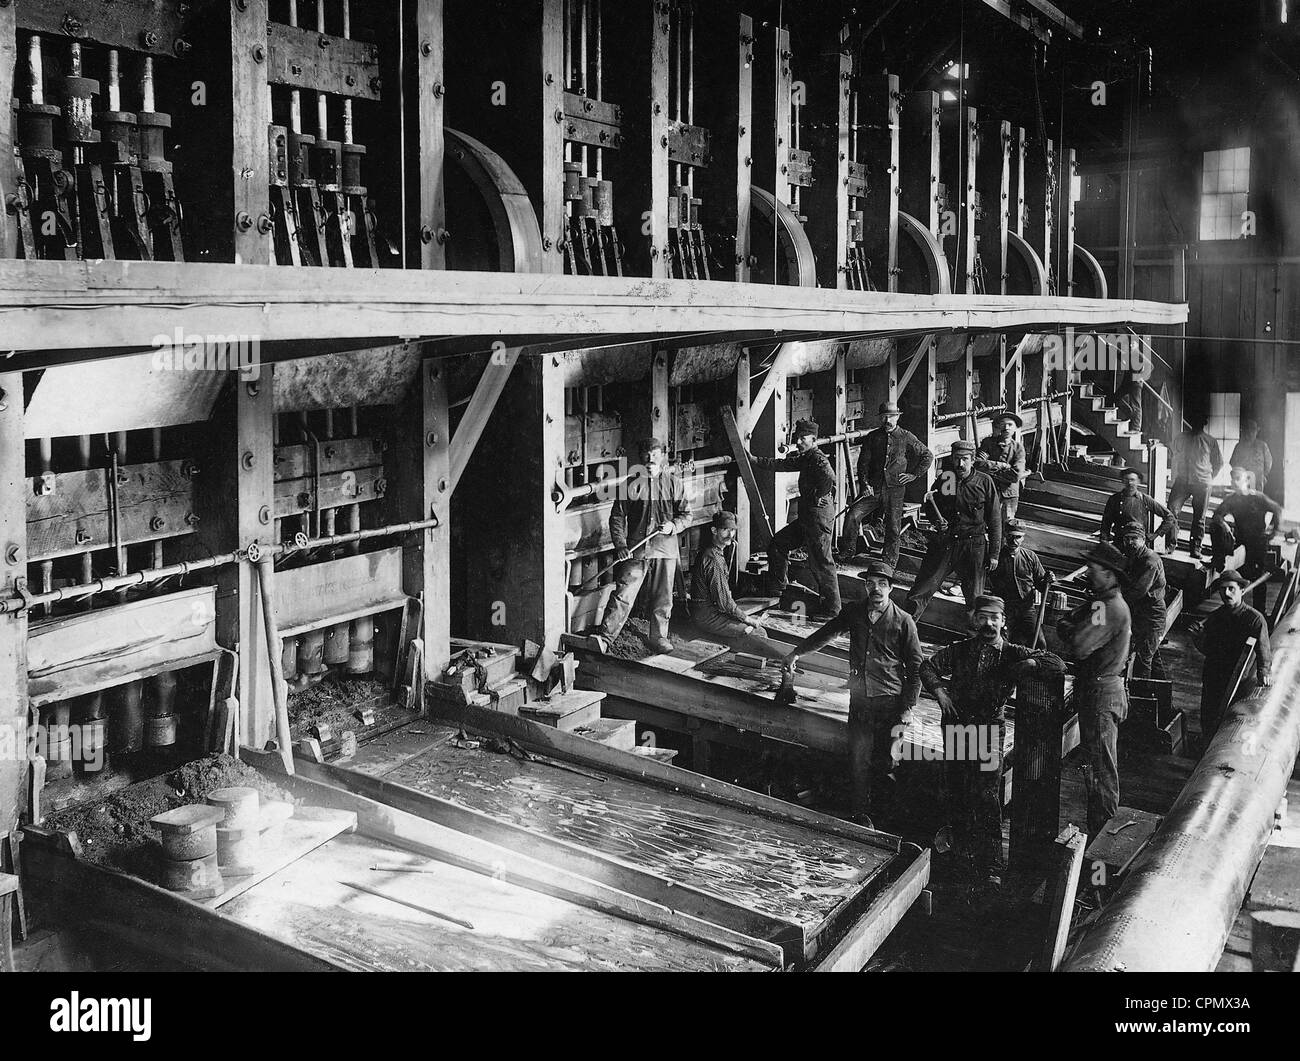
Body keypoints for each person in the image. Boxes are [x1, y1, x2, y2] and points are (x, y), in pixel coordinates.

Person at [919, 594, 1065, 889]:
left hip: (988, 733)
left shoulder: (1012, 652)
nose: (988, 623)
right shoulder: (959, 651)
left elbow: (1058, 664)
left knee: (987, 797)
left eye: (994, 618)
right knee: (958, 789)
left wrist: (1030, 664)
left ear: (1003, 622)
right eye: (983, 617)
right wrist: (940, 693)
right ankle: (960, 855)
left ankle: (992, 865)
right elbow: (927, 667)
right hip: (958, 728)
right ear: (974, 620)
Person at [781, 561, 922, 826]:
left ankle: (886, 822)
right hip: (860, 701)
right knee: (857, 760)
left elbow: (916, 669)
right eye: (871, 584)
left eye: (882, 584)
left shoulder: (904, 622)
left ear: (891, 588)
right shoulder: (854, 612)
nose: (876, 589)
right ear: (865, 587)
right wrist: (796, 653)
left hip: (889, 703)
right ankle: (861, 818)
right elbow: (826, 633)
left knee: (888, 763)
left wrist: (908, 707)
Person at [1057, 543, 1132, 838]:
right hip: (1098, 690)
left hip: (1101, 694)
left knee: (1101, 771)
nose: (1088, 572)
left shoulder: (1107, 607)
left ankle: (1104, 842)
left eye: (1094, 568)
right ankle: (1099, 835)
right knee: (1096, 767)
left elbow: (1079, 645)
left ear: (1111, 574)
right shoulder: (1100, 602)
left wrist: (1065, 625)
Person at [596, 437, 689, 654]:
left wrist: (674, 525)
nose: (650, 459)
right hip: (636, 550)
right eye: (646, 455)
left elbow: (687, 515)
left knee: (663, 597)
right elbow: (617, 517)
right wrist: (619, 544)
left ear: (662, 456)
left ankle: (659, 638)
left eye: (655, 455)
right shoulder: (629, 485)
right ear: (640, 457)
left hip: (665, 550)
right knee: (623, 594)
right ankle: (605, 638)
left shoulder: (674, 483)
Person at [751, 418, 841, 619]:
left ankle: (833, 610)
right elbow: (783, 464)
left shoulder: (818, 460)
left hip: (817, 518)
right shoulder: (806, 457)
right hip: (808, 517)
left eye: (803, 438)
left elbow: (830, 479)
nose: (798, 442)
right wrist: (755, 461)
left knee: (821, 562)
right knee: (778, 543)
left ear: (814, 439)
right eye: (797, 438)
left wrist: (818, 496)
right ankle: (778, 589)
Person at [905, 440, 1001, 620]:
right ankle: (903, 634)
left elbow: (995, 519)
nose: (960, 464)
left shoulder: (984, 482)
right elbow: (932, 506)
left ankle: (975, 641)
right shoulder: (947, 479)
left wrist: (994, 553)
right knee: (920, 591)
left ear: (972, 460)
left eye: (965, 459)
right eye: (956, 459)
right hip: (946, 543)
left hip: (974, 546)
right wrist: (936, 521)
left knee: (975, 601)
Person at [840, 401, 932, 565]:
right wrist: (865, 484)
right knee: (852, 516)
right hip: (873, 489)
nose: (887, 420)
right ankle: (848, 553)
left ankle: (889, 561)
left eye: (890, 416)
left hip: (895, 490)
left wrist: (913, 475)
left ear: (897, 417)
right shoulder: (873, 437)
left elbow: (927, 455)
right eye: (884, 417)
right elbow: (863, 464)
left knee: (893, 526)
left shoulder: (906, 436)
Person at [690, 510, 786, 661]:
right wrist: (747, 619)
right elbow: (724, 603)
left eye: (732, 530)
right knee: (758, 633)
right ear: (714, 530)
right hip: (707, 616)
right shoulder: (713, 559)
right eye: (725, 530)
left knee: (753, 629)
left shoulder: (714, 552)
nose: (730, 535)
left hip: (712, 611)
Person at [1191, 570, 1273, 744]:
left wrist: (1264, 670)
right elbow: (1209, 649)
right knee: (1208, 713)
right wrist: (1198, 638)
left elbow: (1263, 647)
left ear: (1242, 590)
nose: (1226, 593)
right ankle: (1207, 744)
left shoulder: (1254, 619)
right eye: (1222, 589)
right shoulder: (1216, 617)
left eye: (1231, 589)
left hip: (1238, 678)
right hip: (1214, 673)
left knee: (1232, 718)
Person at [1209, 467, 1284, 612]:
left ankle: (1259, 612)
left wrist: (1273, 531)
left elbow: (1277, 510)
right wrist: (1224, 524)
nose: (1235, 482)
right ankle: (1219, 561)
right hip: (1241, 541)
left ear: (1245, 480)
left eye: (1238, 479)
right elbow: (1217, 515)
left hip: (1258, 542)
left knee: (1258, 577)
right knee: (1240, 577)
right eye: (1232, 479)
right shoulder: (1232, 500)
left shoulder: (1258, 497)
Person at [1116, 520, 1168, 681]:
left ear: (1143, 540)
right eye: (1126, 539)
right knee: (1153, 657)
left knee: (1142, 659)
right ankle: (1163, 699)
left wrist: (1112, 599)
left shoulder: (1150, 561)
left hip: (1152, 617)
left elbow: (1137, 591)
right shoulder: (1134, 556)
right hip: (1141, 615)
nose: (1129, 542)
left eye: (1134, 539)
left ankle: (1142, 697)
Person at [989, 518, 1052, 647]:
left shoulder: (1030, 556)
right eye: (1010, 536)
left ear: (1023, 538)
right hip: (1004, 609)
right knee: (1003, 643)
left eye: (1018, 537)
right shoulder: (997, 557)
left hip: (1026, 608)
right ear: (1005, 536)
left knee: (1040, 642)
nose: (1014, 541)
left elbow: (1040, 583)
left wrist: (1047, 580)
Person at [1167, 420, 1222, 559]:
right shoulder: (1181, 437)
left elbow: (1218, 463)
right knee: (1171, 510)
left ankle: (1195, 549)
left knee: (1199, 517)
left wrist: (1207, 478)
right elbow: (1173, 452)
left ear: (1204, 422)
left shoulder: (1210, 441)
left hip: (1202, 483)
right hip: (1182, 481)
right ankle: (1170, 544)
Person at [1099, 468, 1176, 545]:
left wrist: (1155, 535)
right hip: (1119, 542)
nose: (1130, 483)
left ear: (1138, 481)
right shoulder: (1114, 499)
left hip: (1139, 544)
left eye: (1133, 480)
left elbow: (1169, 517)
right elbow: (1106, 522)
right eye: (1126, 479)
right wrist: (1104, 540)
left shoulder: (1145, 499)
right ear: (1122, 481)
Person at [975, 412, 1028, 520]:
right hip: (988, 492)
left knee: (1007, 525)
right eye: (1002, 424)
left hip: (1008, 495)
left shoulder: (1018, 448)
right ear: (997, 426)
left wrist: (991, 471)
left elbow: (1016, 475)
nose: (1006, 427)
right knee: (985, 522)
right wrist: (1004, 466)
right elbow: (978, 464)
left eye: (1010, 424)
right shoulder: (988, 443)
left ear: (1015, 428)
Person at [1230, 420, 1272, 494]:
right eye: (1247, 430)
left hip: (1258, 479)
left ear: (1256, 431)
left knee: (1257, 500)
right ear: (1244, 431)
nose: (1250, 433)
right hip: (1242, 479)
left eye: (1252, 430)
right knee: (1244, 500)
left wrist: (1263, 475)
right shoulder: (1239, 446)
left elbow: (1268, 463)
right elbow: (1233, 462)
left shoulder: (1262, 446)